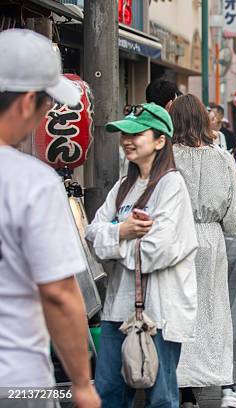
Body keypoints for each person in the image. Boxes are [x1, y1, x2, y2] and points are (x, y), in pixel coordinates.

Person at [0, 28, 100, 408]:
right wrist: (81, 382)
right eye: (46, 104)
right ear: (27, 102)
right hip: (16, 378)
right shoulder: (32, 181)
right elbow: (58, 293)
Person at [85, 103, 199, 407]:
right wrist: (123, 231)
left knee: (160, 397)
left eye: (136, 133)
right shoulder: (124, 186)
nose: (127, 140)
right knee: (108, 393)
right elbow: (90, 232)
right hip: (117, 311)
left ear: (160, 140)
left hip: (158, 312)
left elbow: (154, 252)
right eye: (124, 134)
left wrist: (111, 238)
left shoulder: (172, 185)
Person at [169, 95, 236, 408]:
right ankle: (226, 385)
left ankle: (186, 390)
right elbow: (232, 212)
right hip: (211, 237)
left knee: (181, 311)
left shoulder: (167, 157)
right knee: (215, 310)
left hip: (177, 237)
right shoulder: (221, 157)